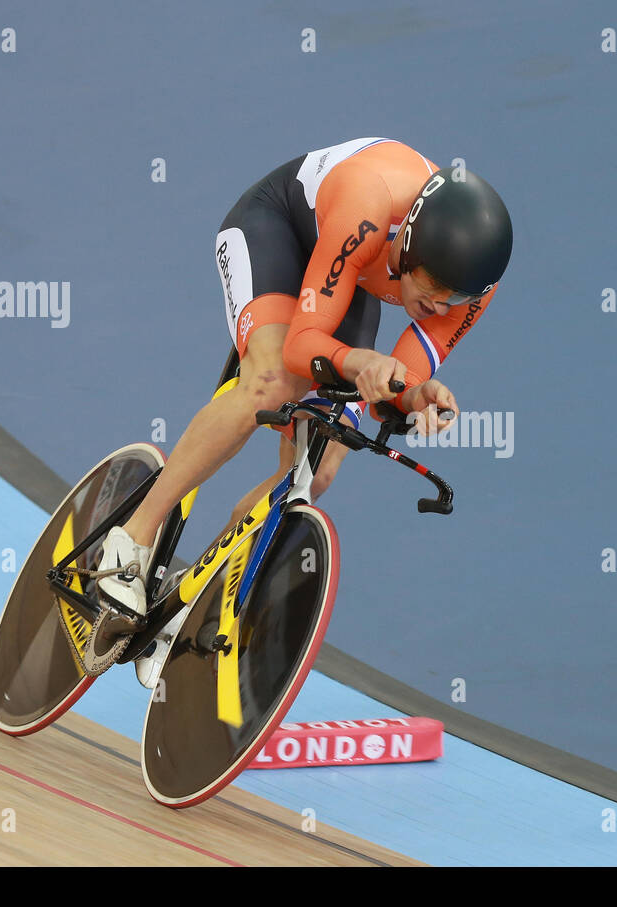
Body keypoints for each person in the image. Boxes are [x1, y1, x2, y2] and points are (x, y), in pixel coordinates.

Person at [96, 137, 514, 618]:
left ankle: (199, 596)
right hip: (278, 227)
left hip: (347, 273)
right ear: (410, 245)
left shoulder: (475, 286)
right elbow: (301, 346)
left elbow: (392, 393)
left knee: (318, 461)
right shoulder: (369, 200)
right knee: (273, 381)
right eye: (436, 287)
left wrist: (416, 395)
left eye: (456, 297)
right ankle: (130, 541)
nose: (442, 306)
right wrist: (359, 363)